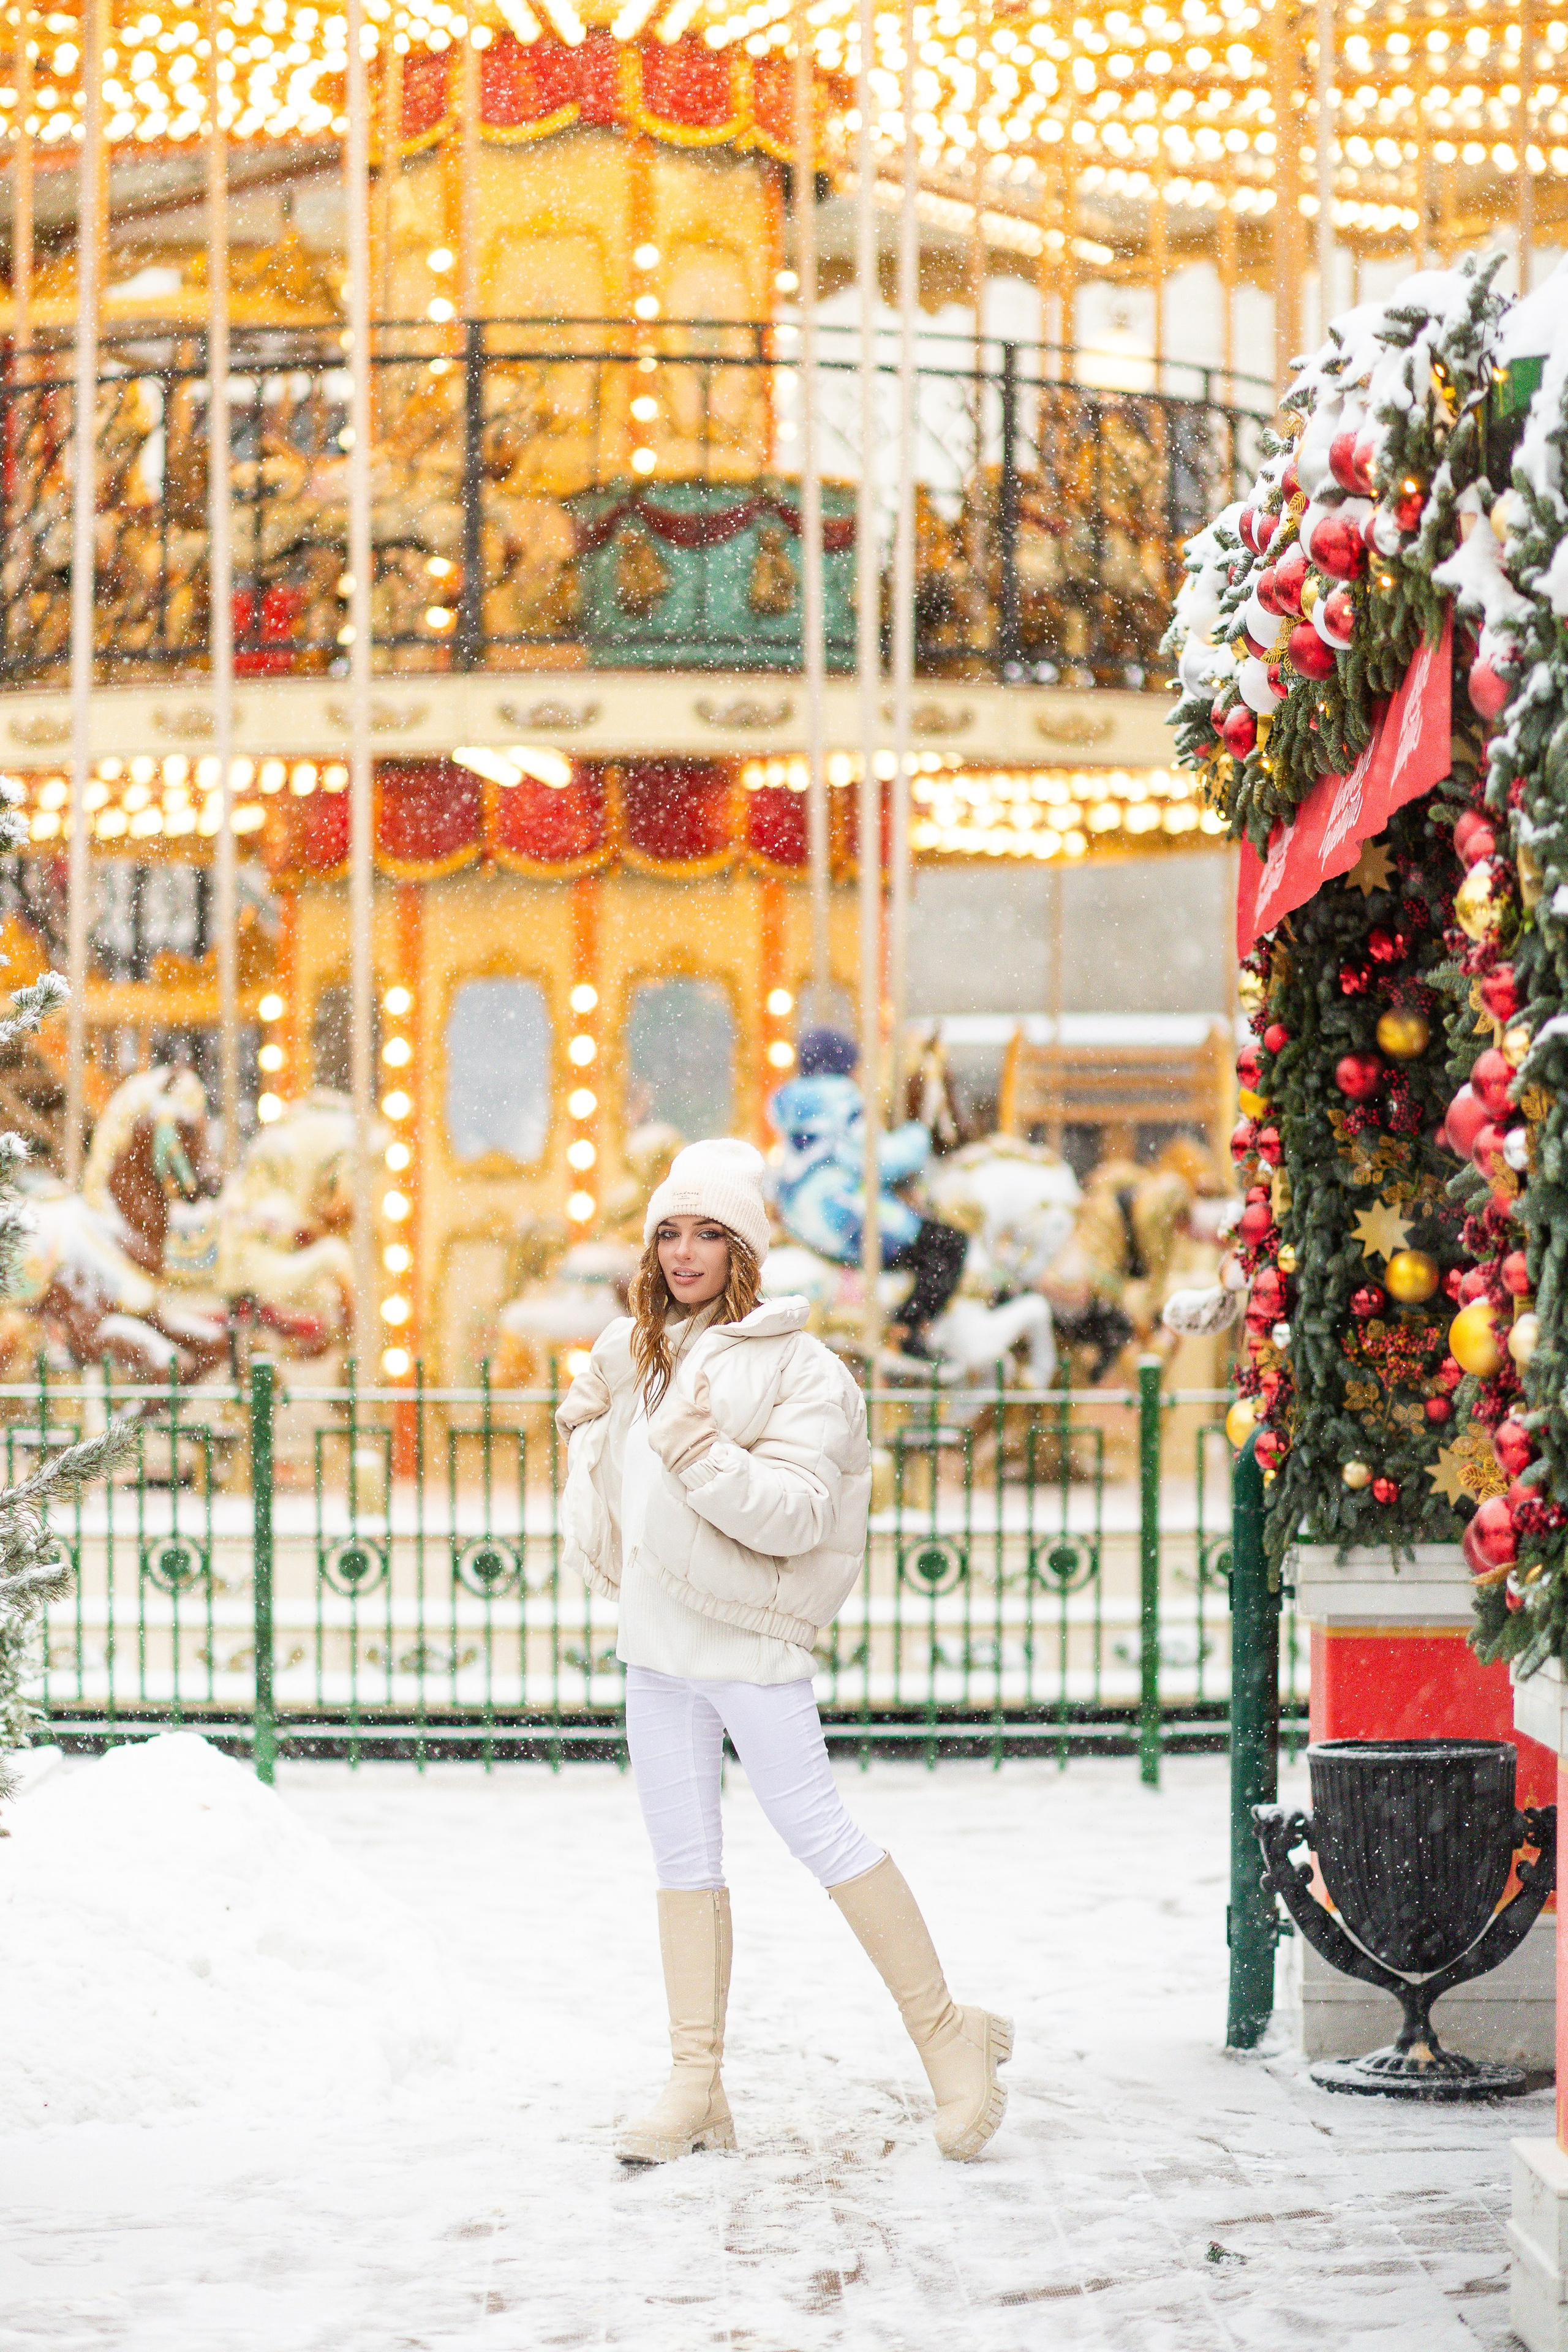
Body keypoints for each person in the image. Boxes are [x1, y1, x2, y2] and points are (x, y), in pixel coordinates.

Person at [557, 1137, 1011, 2166]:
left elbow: (798, 1516)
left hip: (748, 1641)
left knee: (821, 1834)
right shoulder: (643, 1355)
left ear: (744, 1250)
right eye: (668, 1234)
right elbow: (629, 1519)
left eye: (707, 1234)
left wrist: (696, 1451)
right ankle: (695, 2083)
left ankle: (949, 2036)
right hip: (656, 1644)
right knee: (682, 1860)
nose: (683, 1253)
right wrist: (593, 1437)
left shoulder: (806, 1371)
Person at [767, 1028, 968, 1363]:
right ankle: (908, 1331)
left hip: (802, 1215)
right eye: (857, 1065)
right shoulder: (841, 1101)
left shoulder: (795, 1107)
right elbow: (878, 1160)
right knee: (947, 1245)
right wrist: (918, 1137)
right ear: (844, 1067)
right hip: (840, 1213)